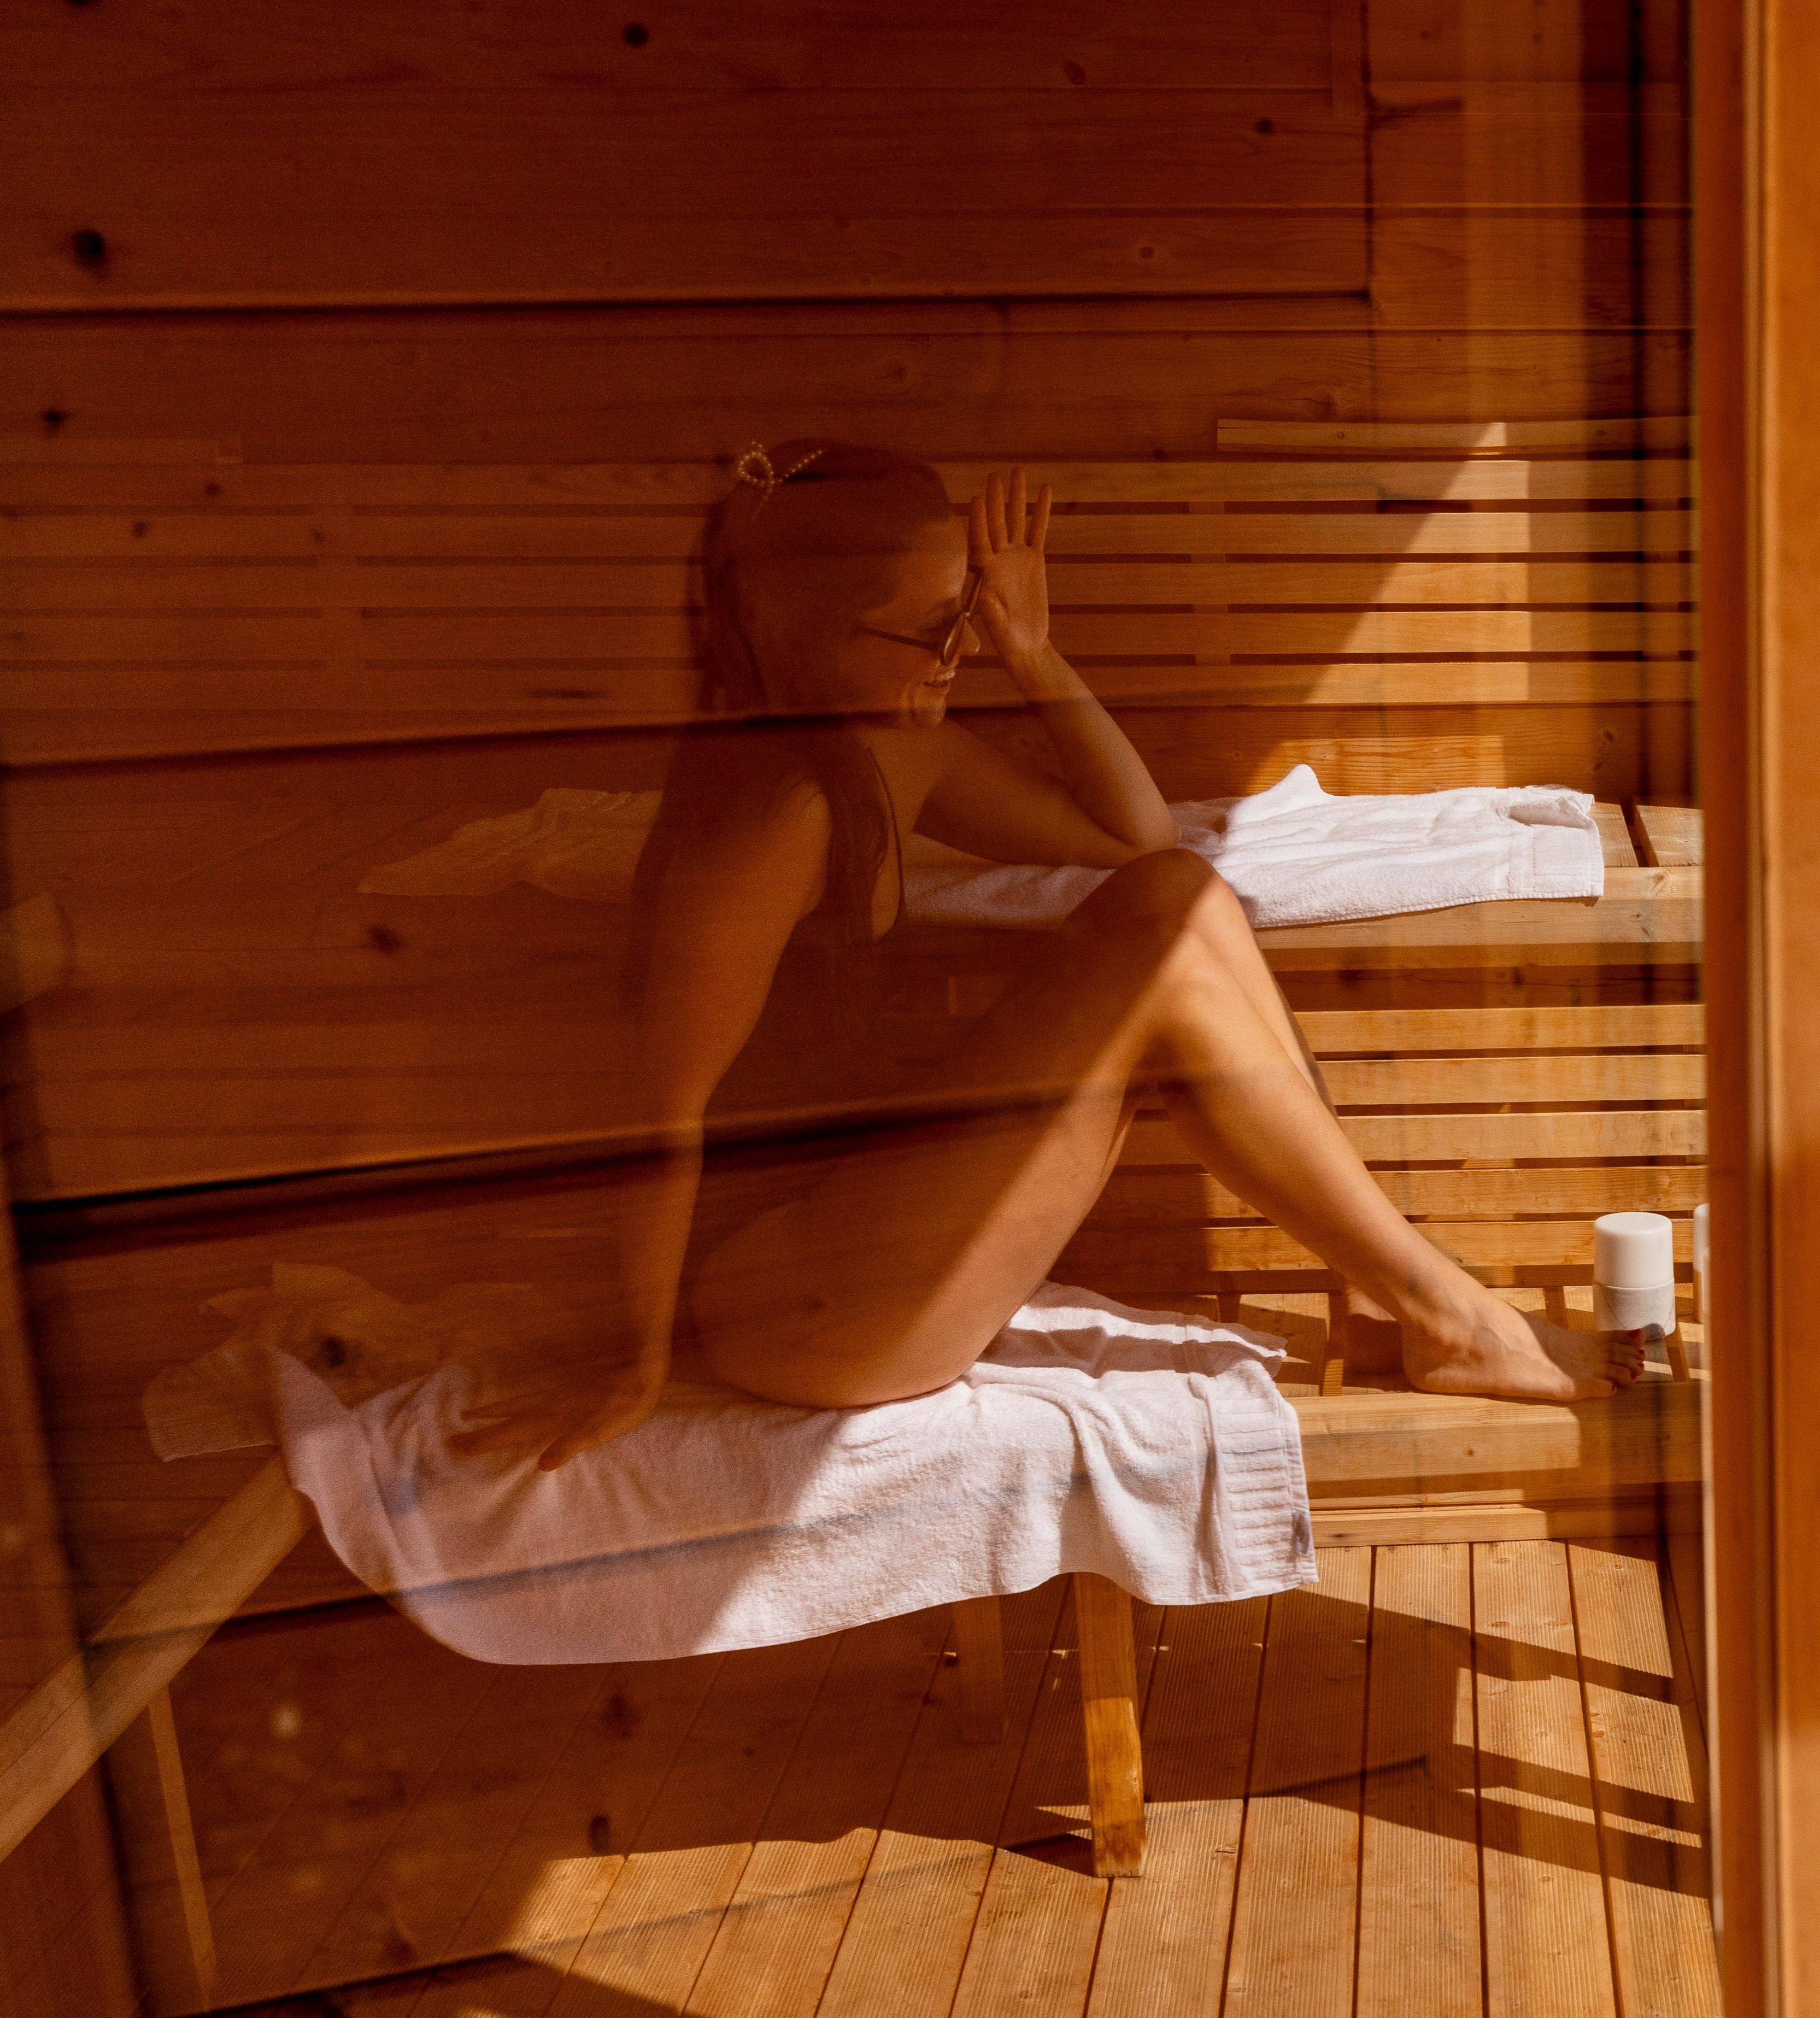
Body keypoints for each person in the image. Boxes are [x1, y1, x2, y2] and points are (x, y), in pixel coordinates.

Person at [457, 442, 1640, 1469]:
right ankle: (1445, 1313)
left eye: (965, 614)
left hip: (857, 1218)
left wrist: (1034, 650)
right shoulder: (767, 821)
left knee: (1180, 896)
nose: (955, 652)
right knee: (1169, 946)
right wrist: (636, 1370)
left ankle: (1397, 1298)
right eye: (935, 629)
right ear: (808, 639)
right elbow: (662, 1116)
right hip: (797, 1306)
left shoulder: (888, 743)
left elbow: (1133, 841)